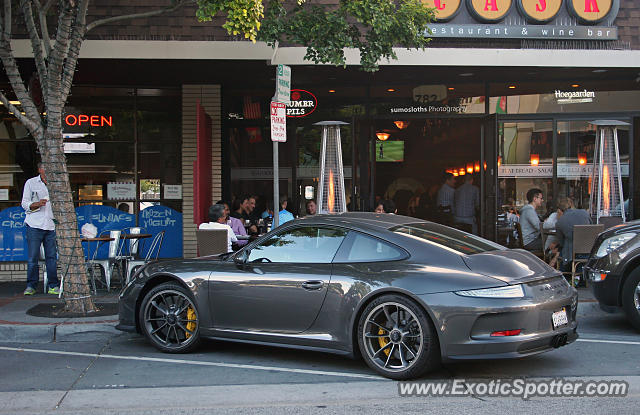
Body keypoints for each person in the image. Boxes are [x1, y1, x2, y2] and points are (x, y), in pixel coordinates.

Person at [21, 162, 60, 295]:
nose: (46, 174)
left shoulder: (55, 183)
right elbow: (24, 203)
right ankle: (31, 286)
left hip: (50, 225)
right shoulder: (31, 183)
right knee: (33, 257)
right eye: (44, 171)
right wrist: (35, 204)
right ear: (40, 170)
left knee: (51, 257)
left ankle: (53, 285)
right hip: (34, 225)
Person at [556, 197, 592, 273]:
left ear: (559, 210)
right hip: (589, 251)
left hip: (572, 255)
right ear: (572, 205)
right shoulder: (584, 213)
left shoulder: (560, 222)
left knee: (565, 246)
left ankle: (563, 275)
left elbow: (561, 242)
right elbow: (591, 226)